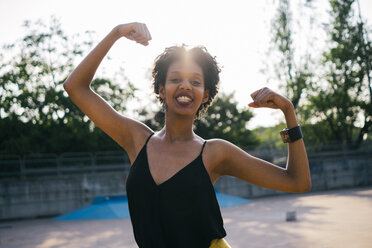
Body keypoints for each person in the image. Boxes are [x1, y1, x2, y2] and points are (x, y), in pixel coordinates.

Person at [63, 22, 311, 248]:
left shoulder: (215, 153)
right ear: (161, 89)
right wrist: (116, 32)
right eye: (175, 79)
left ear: (205, 94)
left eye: (195, 81)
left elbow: (297, 182)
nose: (185, 86)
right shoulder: (136, 140)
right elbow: (75, 87)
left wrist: (288, 111)